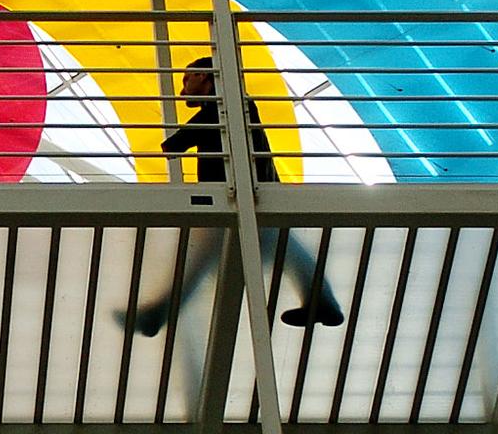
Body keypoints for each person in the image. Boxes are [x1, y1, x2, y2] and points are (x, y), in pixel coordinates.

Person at [126, 56, 343, 337]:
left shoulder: (226, 105)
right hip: (254, 193)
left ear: (205, 77)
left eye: (186, 79)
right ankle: (322, 302)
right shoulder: (232, 106)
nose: (182, 91)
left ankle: (157, 314)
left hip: (242, 195)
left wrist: (175, 142)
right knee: (280, 248)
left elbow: (184, 139)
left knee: (202, 261)